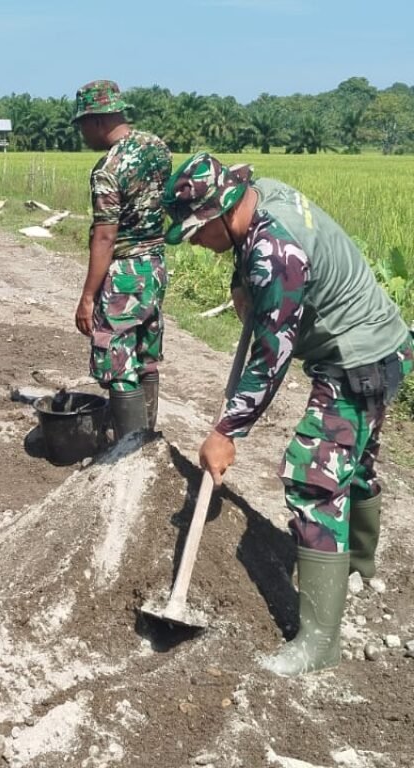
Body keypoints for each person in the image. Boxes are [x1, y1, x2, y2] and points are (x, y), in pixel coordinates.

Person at [162, 152, 414, 677]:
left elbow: (271, 357)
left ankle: (320, 643)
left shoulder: (275, 252)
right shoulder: (263, 195)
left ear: (218, 213)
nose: (197, 246)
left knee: (313, 477)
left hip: (356, 360)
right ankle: (358, 566)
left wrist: (227, 430)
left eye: (195, 233)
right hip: (384, 344)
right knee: (357, 462)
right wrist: (242, 286)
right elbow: (256, 264)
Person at [71, 80, 171, 439]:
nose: (82, 134)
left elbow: (105, 235)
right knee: (147, 356)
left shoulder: (108, 169)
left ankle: (129, 453)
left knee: (117, 362)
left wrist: (87, 297)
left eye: (82, 125)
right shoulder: (157, 147)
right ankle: (148, 445)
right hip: (155, 266)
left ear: (97, 121)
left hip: (125, 272)